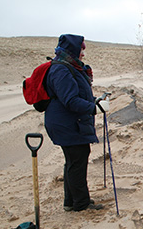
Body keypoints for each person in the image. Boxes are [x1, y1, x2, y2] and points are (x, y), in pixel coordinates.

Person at [44, 34, 110, 212]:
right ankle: (81, 204)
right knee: (77, 161)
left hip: (70, 122)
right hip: (67, 124)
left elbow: (77, 96)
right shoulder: (61, 69)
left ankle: (70, 201)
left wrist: (94, 102)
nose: (83, 53)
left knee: (73, 161)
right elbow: (71, 100)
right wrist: (94, 108)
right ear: (73, 49)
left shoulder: (68, 66)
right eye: (81, 49)